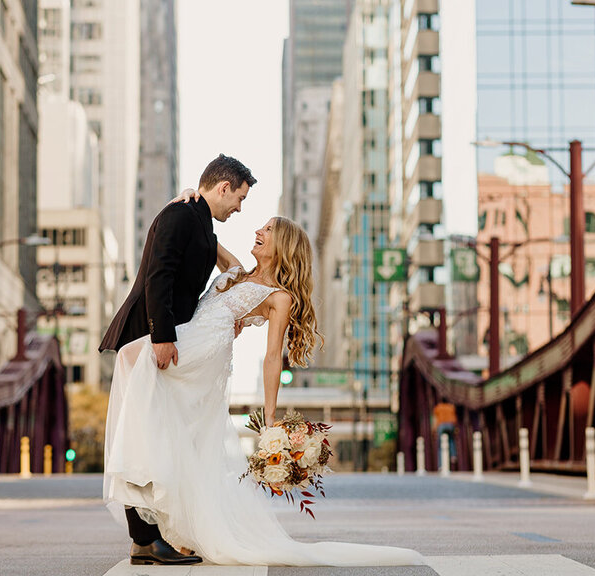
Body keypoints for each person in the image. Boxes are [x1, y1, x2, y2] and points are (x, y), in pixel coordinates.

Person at [102, 198, 423, 566]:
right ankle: (161, 528)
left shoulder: (279, 297)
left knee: (134, 366)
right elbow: (204, 234)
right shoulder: (236, 270)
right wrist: (187, 200)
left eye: (268, 229)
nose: (258, 231)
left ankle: (153, 525)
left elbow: (273, 357)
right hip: (192, 339)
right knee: (159, 419)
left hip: (202, 354)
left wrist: (270, 418)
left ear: (282, 245)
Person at [99, 154, 254, 566]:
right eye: (238, 198)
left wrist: (229, 308)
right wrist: (162, 337)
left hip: (164, 337)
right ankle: (146, 539)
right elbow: (159, 275)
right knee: (142, 435)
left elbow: (231, 267)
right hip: (146, 338)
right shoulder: (181, 215)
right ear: (223, 188)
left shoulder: (197, 218)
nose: (239, 208)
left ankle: (146, 539)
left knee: (153, 434)